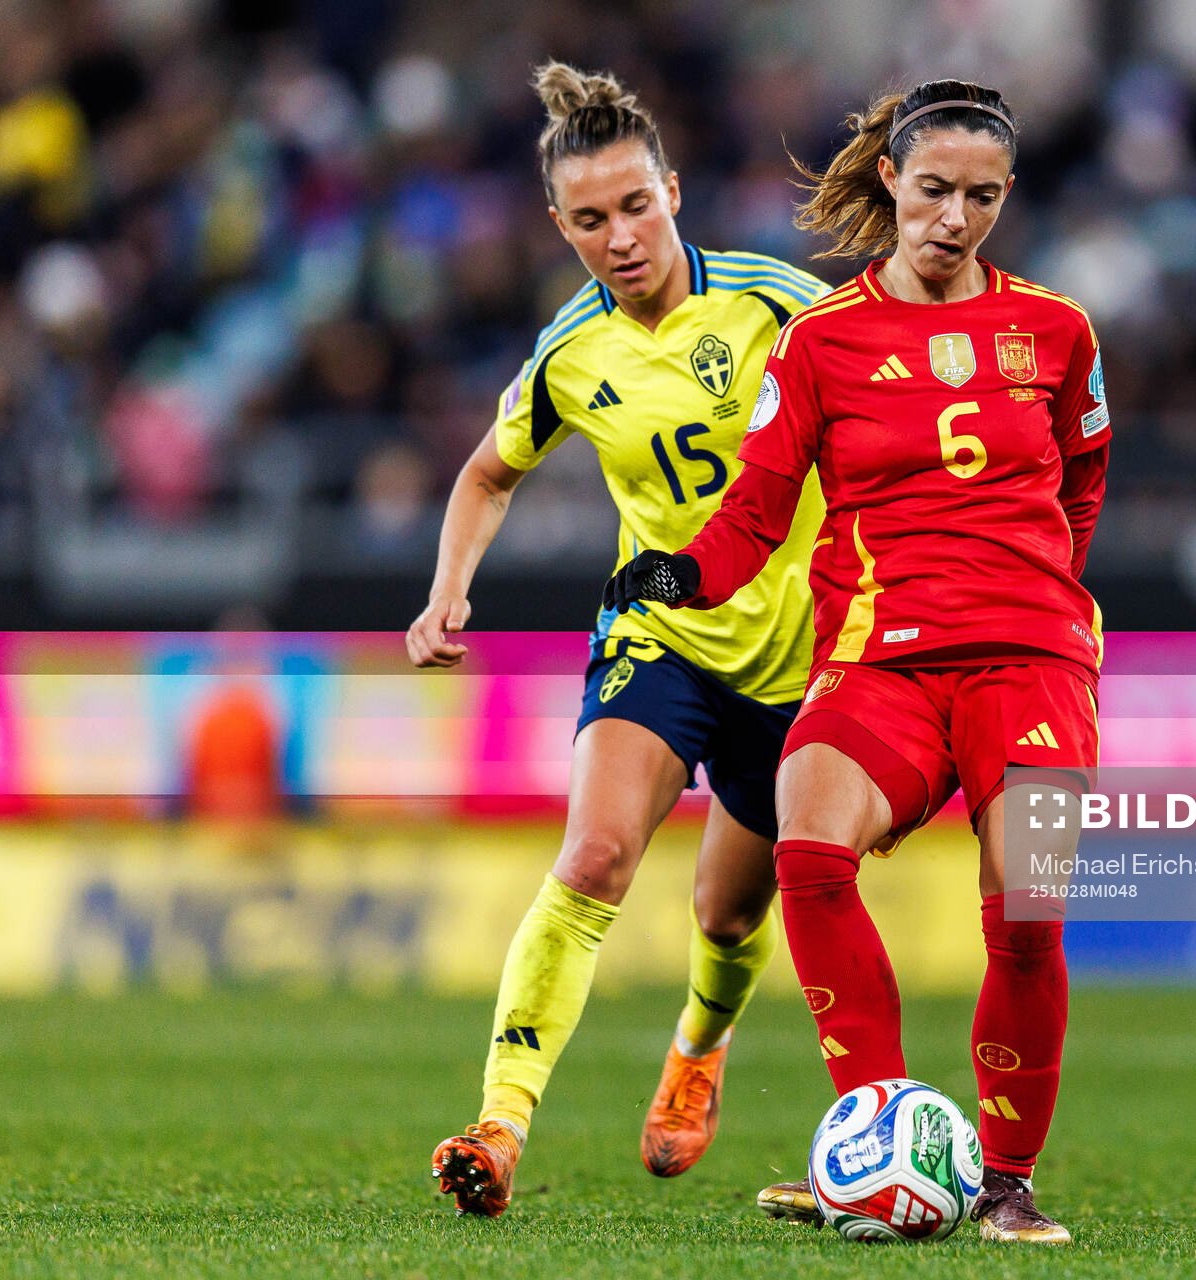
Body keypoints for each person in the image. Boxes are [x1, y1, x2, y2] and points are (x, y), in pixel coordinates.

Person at [603, 78, 1110, 1246]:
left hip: (1031, 662)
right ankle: (872, 1139)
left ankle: (1007, 1180)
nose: (956, 217)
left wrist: (1047, 598)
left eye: (983, 196)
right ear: (891, 179)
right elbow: (755, 511)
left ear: (1007, 195)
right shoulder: (823, 338)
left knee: (1026, 912)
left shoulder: (1058, 329)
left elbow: (1083, 481)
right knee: (810, 839)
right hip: (882, 655)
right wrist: (681, 572)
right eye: (934, 190)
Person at [409, 61, 828, 1219]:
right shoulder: (572, 351)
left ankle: (700, 1041)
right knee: (593, 858)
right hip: (660, 633)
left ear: (674, 191)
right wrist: (449, 588)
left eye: (635, 205)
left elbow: (878, 425)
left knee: (729, 913)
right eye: (589, 219)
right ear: (561, 225)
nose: (619, 237)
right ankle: (498, 1122)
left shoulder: (779, 306)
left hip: (793, 650)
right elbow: (488, 472)